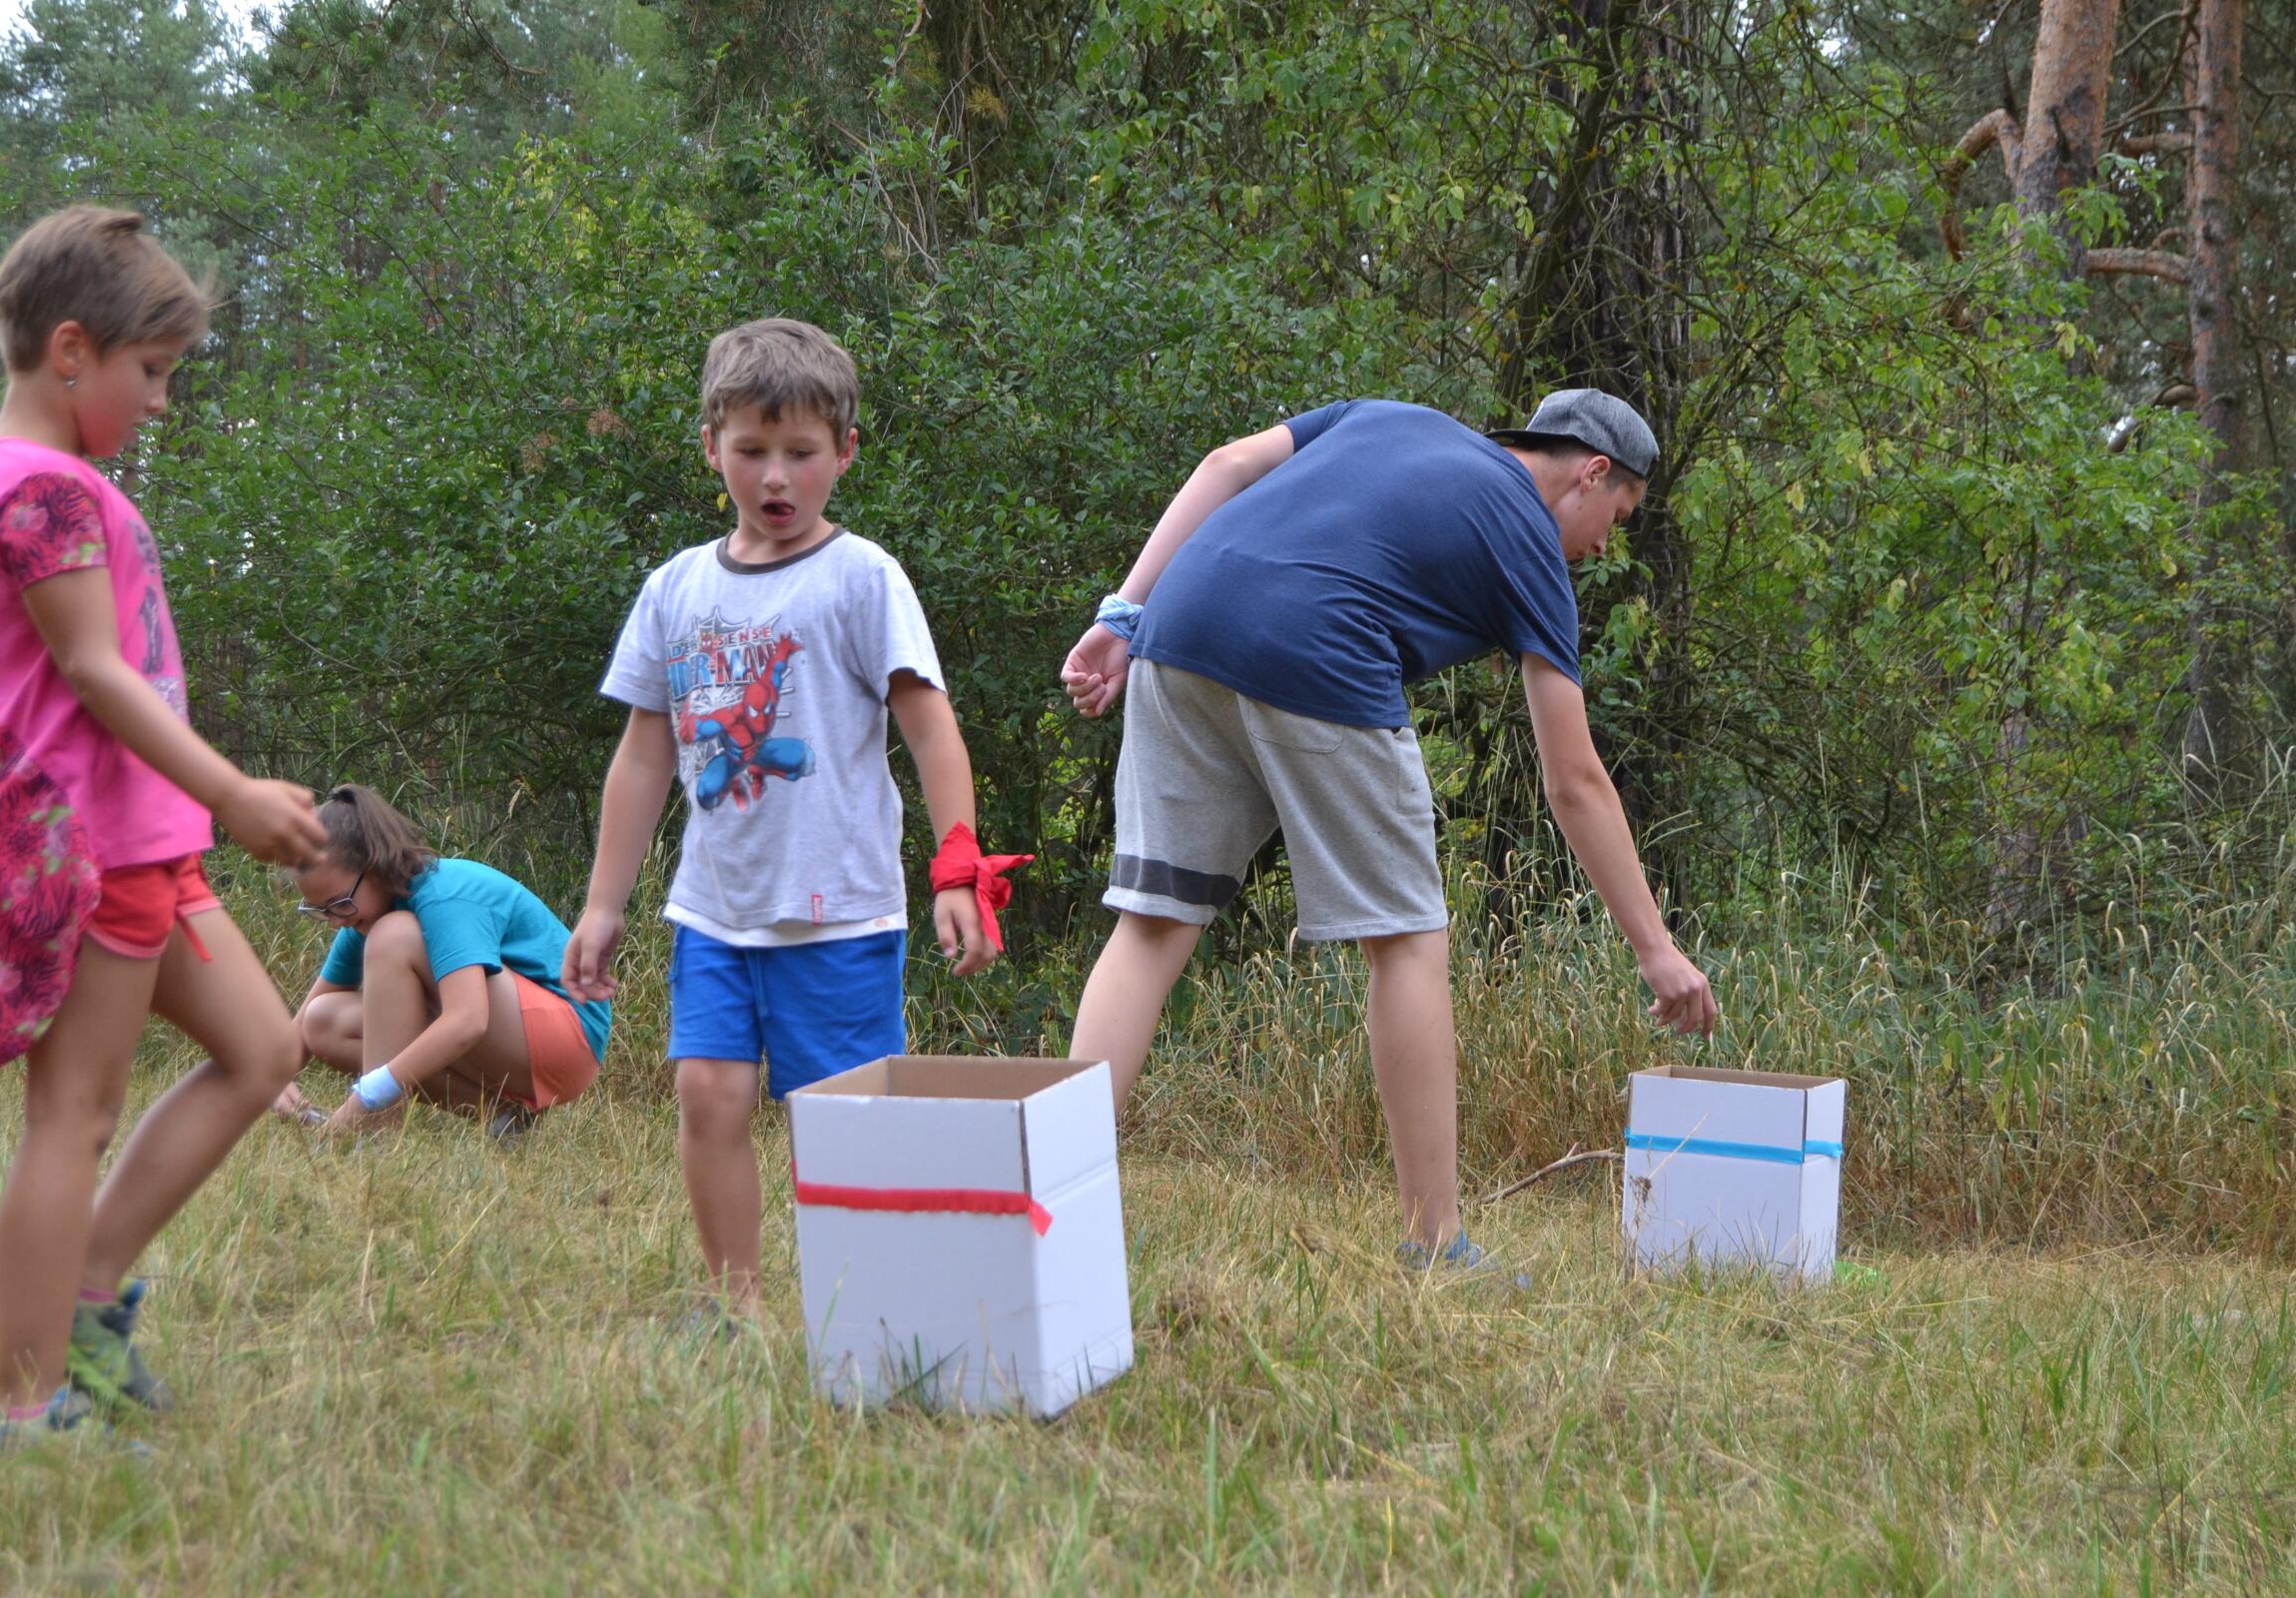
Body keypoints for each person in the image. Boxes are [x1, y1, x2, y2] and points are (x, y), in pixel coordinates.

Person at [1059, 391, 1720, 1270]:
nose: (1607, 545)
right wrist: (1655, 948)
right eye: (1619, 516)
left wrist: (1120, 616)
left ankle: (1048, 1199)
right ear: (1591, 472)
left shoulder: (1389, 417)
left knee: (1152, 921)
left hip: (1181, 621)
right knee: (1406, 941)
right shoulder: (1527, 541)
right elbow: (1575, 780)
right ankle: (1437, 1243)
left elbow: (1225, 465)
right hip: (1320, 648)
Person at [0, 207, 330, 1451]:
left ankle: (80, 1299)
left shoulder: (64, 481)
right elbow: (97, 673)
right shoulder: (37, 490)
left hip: (145, 842)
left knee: (265, 1052)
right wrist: (235, 792)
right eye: (150, 374)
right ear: (70, 350)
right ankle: (24, 1400)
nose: (161, 402)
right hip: (84, 848)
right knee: (74, 1115)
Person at [563, 318, 1024, 1317]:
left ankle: (877, 1311)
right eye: (751, 450)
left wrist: (957, 866)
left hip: (839, 912)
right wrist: (604, 905)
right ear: (710, 446)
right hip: (714, 913)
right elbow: (645, 754)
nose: (776, 476)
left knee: (847, 1122)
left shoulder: (861, 578)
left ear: (845, 452)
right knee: (707, 1097)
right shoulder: (675, 589)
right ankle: (738, 1305)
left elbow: (932, 730)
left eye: (802, 453)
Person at [270, 785, 611, 1140]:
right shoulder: (363, 915)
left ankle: (376, 1130)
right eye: (321, 911)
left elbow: (468, 1020)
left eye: (340, 903)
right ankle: (503, 1119)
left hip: (569, 1037)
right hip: (514, 1033)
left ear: (374, 864)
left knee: (393, 936)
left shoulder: (440, 896)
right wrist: (270, 1083)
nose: (337, 919)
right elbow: (303, 1027)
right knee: (322, 1021)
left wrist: (364, 1100)